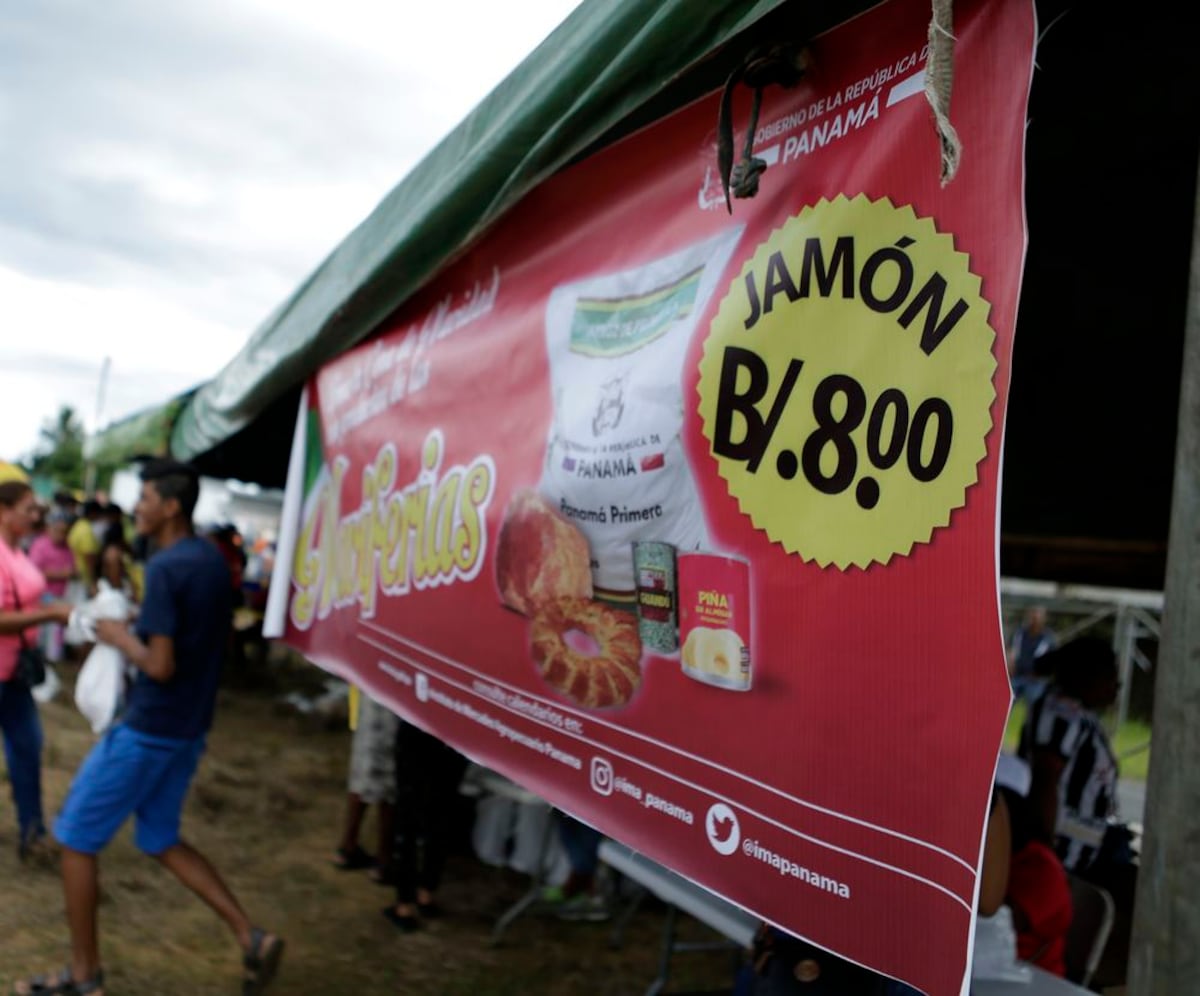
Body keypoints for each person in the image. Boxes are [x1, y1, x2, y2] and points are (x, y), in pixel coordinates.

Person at [14, 460, 284, 996]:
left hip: (151, 728)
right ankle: (251, 936)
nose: (137, 507)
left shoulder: (165, 568)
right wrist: (143, 625)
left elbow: (158, 666)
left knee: (74, 837)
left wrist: (116, 635)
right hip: (189, 728)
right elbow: (190, 640)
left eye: (145, 497)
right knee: (159, 836)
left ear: (171, 506)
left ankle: (84, 978)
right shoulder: (208, 559)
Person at [1018, 636, 1134, 989]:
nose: (1117, 685)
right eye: (1111, 675)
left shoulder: (1075, 713)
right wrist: (1047, 853)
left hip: (1082, 853)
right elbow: (1045, 781)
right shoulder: (1061, 713)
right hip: (1065, 859)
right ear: (1086, 675)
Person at [0, 476, 74, 862]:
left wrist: (75, 615)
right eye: (27, 508)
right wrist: (49, 613)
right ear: (4, 511)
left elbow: (34, 593)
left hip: (14, 674)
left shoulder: (20, 552)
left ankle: (32, 834)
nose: (35, 515)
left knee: (28, 749)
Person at [382, 720, 468, 931]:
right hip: (455, 730)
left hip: (420, 723)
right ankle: (426, 892)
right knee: (441, 812)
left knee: (410, 814)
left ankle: (405, 904)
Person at [332, 687, 398, 882]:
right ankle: (384, 860)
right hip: (393, 698)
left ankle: (348, 847)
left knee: (363, 771)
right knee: (390, 780)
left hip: (371, 694)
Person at [28, 509, 78, 663]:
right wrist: (61, 574)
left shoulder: (67, 547)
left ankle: (51, 660)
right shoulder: (40, 545)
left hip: (60, 596)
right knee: (42, 633)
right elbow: (33, 572)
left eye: (65, 531)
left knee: (56, 633)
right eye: (58, 530)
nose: (61, 535)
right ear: (49, 528)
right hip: (43, 597)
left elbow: (73, 570)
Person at [1008, 605, 1055, 703]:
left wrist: (1042, 673)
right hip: (1017, 675)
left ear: (1043, 619)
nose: (1034, 619)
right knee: (1007, 701)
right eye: (1032, 616)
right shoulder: (1019, 633)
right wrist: (1010, 665)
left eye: (1037, 617)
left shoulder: (1048, 638)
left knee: (1033, 705)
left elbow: (1052, 658)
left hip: (1036, 680)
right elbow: (1011, 650)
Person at [66, 500, 104, 596]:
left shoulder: (78, 526)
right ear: (93, 513)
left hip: (76, 576)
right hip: (83, 579)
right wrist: (93, 583)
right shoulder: (86, 531)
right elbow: (89, 558)